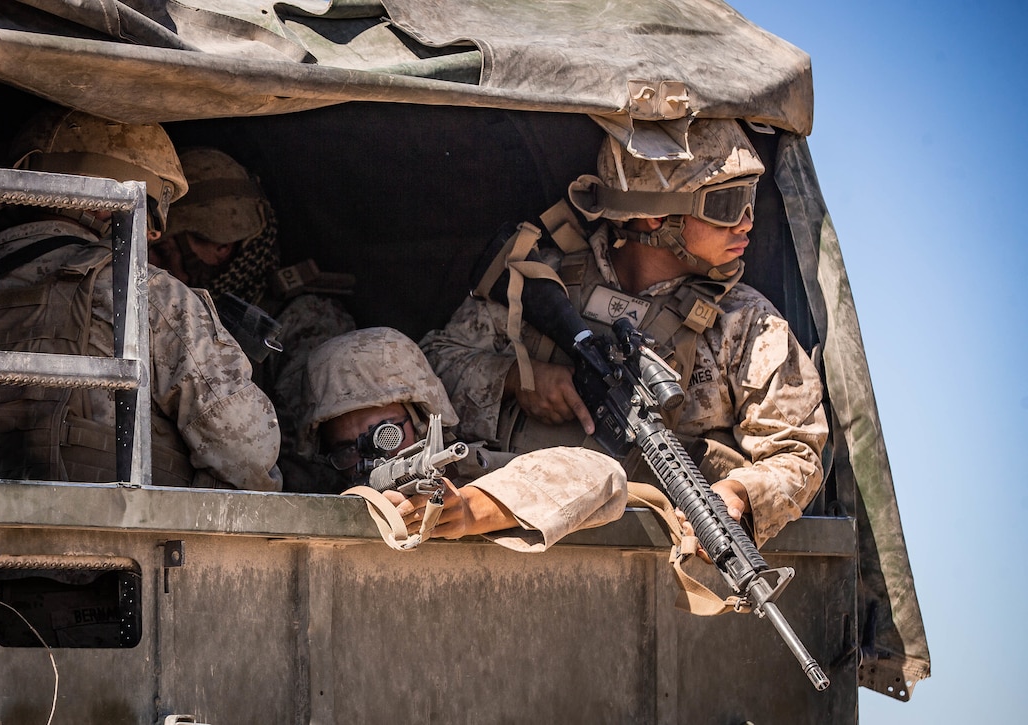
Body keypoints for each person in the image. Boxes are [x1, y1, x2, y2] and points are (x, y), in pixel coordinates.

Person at [420, 118, 828, 547]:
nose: (746, 222)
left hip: (639, 547)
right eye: (726, 204)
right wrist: (518, 382)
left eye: (751, 201)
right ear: (655, 217)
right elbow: (434, 367)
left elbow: (796, 452)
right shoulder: (540, 283)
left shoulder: (744, 321)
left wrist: (736, 497)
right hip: (487, 520)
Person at [0, 107, 281, 490]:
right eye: (151, 207)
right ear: (106, 199)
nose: (152, 234)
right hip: (123, 539)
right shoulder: (142, 290)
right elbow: (245, 451)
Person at [298, 327, 628, 552]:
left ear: (424, 421)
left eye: (386, 435)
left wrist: (471, 510)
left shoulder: (475, 474)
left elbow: (599, 471)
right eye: (345, 451)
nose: (369, 460)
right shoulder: (323, 499)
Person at [153, 146, 356, 489]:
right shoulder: (150, 307)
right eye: (203, 239)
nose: (221, 253)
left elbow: (313, 455)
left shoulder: (302, 319)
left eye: (232, 243)